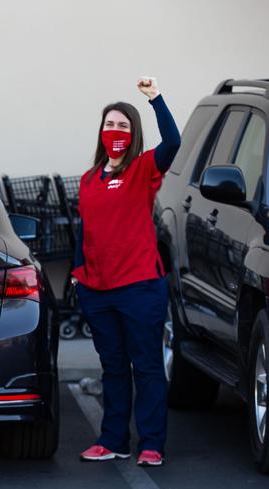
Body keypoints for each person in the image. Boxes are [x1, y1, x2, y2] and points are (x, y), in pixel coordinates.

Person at [72, 77, 181, 467]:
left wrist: (155, 99)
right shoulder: (88, 180)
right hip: (98, 290)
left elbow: (173, 143)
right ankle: (113, 439)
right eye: (109, 125)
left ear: (133, 133)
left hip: (139, 287)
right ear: (101, 132)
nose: (114, 131)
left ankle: (151, 444)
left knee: (147, 366)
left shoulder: (143, 169)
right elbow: (84, 230)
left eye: (122, 125)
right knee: (113, 368)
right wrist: (76, 273)